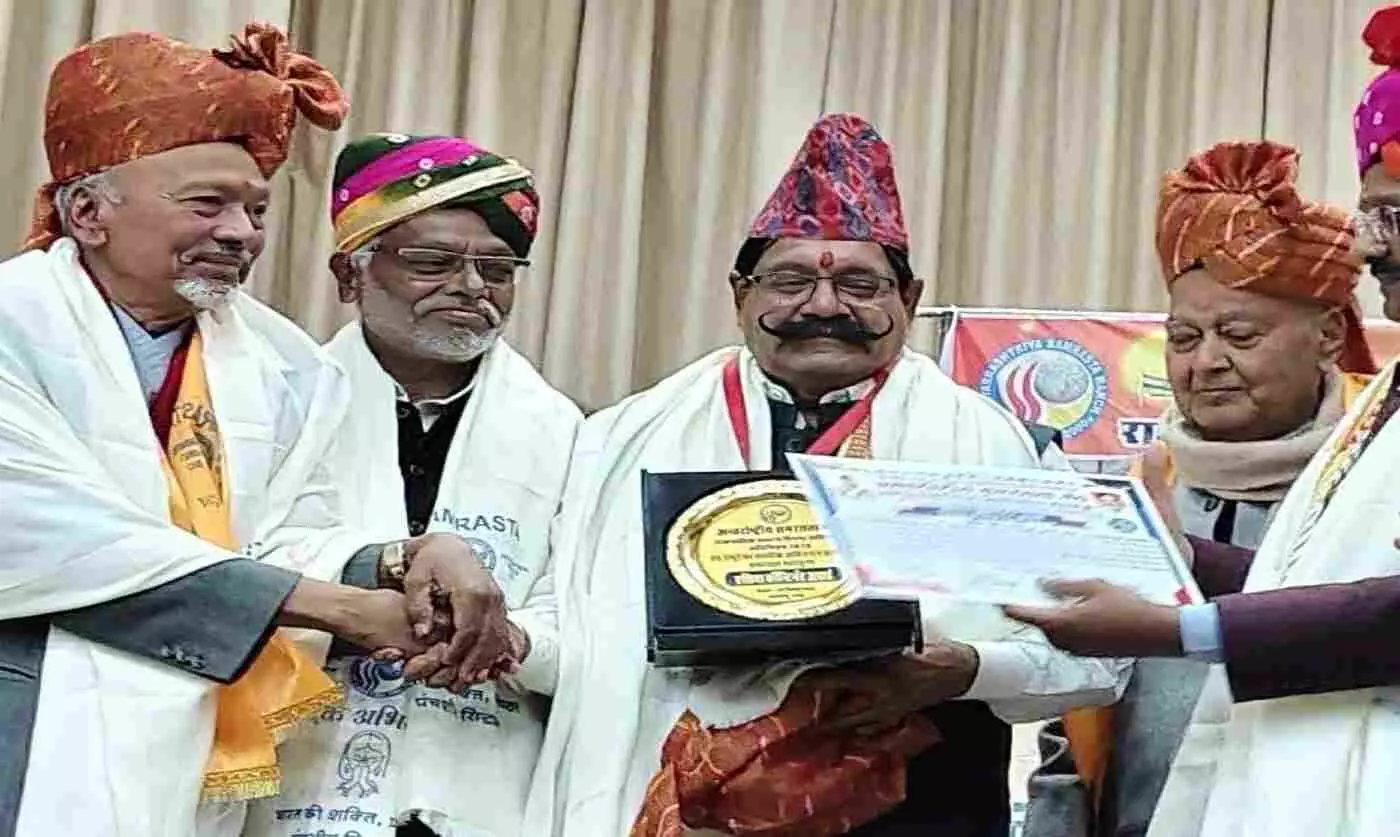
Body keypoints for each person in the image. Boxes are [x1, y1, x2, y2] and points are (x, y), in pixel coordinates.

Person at [522, 113, 1129, 837]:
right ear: (740, 295)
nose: (823, 306)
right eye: (790, 280)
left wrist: (964, 668)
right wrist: (504, 640)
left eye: (859, 283)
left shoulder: (1005, 449)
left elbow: (1104, 658)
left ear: (909, 299)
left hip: (920, 808)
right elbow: (562, 626)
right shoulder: (620, 440)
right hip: (671, 800)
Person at [0, 26, 510, 837]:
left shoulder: (286, 364)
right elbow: (47, 539)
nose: (242, 232)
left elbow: (286, 536)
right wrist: (341, 607)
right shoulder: (12, 323)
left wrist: (404, 558)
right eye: (207, 204)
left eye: (257, 208)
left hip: (191, 753)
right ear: (88, 213)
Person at [1007, 11, 1400, 835]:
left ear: (1327, 337)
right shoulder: (1382, 404)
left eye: (1394, 218)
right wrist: (1185, 561)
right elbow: (1315, 583)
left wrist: (1174, 623)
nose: (1372, 251)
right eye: (1372, 219)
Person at [246, 133, 579, 837]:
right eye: (433, 263)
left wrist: (510, 639)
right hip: (291, 772)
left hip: (482, 783)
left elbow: (586, 612)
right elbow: (229, 563)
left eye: (497, 269)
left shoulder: (570, 433)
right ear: (350, 274)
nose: (471, 287)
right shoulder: (271, 402)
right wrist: (382, 571)